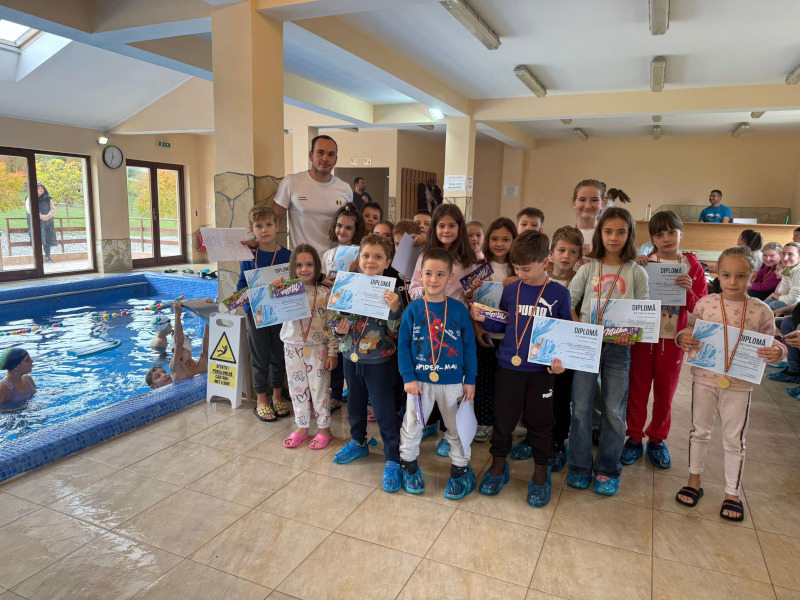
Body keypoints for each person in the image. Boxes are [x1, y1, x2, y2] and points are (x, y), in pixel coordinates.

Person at [676, 246, 785, 520]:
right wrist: (682, 338)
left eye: (741, 276)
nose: (732, 282)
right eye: (726, 275)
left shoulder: (761, 311)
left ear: (753, 276)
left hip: (739, 384)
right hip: (704, 378)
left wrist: (778, 351)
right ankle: (693, 481)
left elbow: (774, 341)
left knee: (734, 439)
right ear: (718, 274)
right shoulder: (705, 303)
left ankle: (732, 493)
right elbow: (688, 329)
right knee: (699, 431)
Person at [472, 231, 571, 507]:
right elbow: (504, 323)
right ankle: (498, 467)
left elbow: (565, 334)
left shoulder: (559, 294)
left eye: (526, 269)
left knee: (540, 423)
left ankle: (540, 474)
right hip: (508, 366)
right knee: (503, 420)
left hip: (541, 372)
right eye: (516, 268)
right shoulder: (511, 289)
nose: (519, 273)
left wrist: (560, 362)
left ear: (545, 262)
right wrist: (483, 318)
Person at [567, 207, 649, 496]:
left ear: (630, 235)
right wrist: (580, 327)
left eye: (621, 232)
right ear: (600, 234)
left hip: (618, 349)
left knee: (614, 410)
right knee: (581, 408)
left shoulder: (636, 271)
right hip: (586, 346)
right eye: (608, 231)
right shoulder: (588, 269)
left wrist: (632, 335)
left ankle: (608, 468)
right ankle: (579, 465)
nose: (614, 237)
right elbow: (569, 304)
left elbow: (643, 313)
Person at [622, 211, 707, 468]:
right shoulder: (643, 263)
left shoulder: (692, 266)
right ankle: (634, 438)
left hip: (673, 341)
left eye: (671, 232)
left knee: (665, 393)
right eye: (659, 234)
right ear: (652, 239)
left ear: (682, 233)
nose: (666, 238)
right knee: (637, 390)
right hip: (642, 339)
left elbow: (702, 307)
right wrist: (634, 269)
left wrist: (688, 290)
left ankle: (657, 439)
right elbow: (627, 299)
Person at [397, 247, 478, 499]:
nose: (433, 279)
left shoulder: (458, 310)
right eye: (429, 273)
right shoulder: (412, 310)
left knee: (457, 427)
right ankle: (408, 465)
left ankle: (460, 469)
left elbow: (469, 347)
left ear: (450, 277)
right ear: (420, 275)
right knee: (413, 424)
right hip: (419, 383)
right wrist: (408, 377)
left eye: (440, 274)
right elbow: (403, 346)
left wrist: (470, 380)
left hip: (453, 382)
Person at [332, 234, 405, 492]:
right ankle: (358, 441)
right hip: (350, 357)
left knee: (384, 410)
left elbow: (397, 332)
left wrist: (395, 310)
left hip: (379, 361)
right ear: (358, 258)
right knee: (354, 403)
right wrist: (338, 332)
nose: (370, 260)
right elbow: (335, 321)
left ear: (388, 262)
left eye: (377, 256)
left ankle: (393, 457)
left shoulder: (392, 294)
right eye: (365, 255)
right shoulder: (347, 286)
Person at [509, 226, 584, 471]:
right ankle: (533, 438)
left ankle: (557, 442)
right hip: (534, 355)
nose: (566, 256)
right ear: (549, 254)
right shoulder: (529, 277)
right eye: (561, 250)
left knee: (560, 399)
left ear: (580, 256)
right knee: (535, 402)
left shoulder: (580, 280)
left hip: (561, 354)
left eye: (572, 251)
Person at [273, 245, 338, 450]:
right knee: (297, 389)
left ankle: (324, 429)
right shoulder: (285, 291)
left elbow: (332, 324)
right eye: (299, 265)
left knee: (320, 390)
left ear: (317, 266)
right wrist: (275, 292)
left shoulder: (325, 293)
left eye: (309, 264)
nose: (304, 269)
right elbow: (270, 313)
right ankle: (302, 427)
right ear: (292, 268)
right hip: (292, 346)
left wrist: (333, 352)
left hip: (318, 347)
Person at [237, 205, 292, 422]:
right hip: (256, 314)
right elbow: (242, 284)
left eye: (269, 224)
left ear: (277, 226)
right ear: (252, 229)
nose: (264, 229)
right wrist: (247, 305)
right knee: (260, 357)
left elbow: (294, 285)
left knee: (279, 355)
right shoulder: (249, 255)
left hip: (280, 314)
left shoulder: (287, 255)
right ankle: (261, 400)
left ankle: (277, 396)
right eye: (259, 226)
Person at [468, 217, 517, 443]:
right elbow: (470, 301)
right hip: (485, 335)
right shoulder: (480, 268)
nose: (499, 244)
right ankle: (484, 422)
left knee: (506, 384)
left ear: (514, 241)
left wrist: (518, 281)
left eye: (506, 239)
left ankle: (504, 424)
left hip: (511, 337)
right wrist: (477, 329)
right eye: (495, 238)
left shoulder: (519, 269)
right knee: (484, 381)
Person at [273, 135, 352, 256]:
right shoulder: (291, 182)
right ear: (311, 155)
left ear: (335, 160)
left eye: (331, 154)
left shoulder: (345, 189)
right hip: (301, 261)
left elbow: (351, 226)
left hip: (332, 262)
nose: (325, 158)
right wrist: (260, 245)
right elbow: (273, 222)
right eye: (320, 152)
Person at [321, 204, 365, 413]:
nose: (343, 231)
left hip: (349, 307)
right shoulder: (328, 253)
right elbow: (324, 278)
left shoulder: (359, 252)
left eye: (348, 228)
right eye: (339, 226)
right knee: (333, 349)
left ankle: (350, 393)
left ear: (356, 230)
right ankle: (334, 393)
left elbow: (364, 281)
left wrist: (355, 270)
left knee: (347, 348)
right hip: (331, 306)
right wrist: (325, 280)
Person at [25, 184, 57, 263]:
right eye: (38, 188)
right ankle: (37, 259)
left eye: (42, 188)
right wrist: (41, 216)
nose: (40, 189)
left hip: (47, 222)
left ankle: (48, 257)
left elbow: (53, 209)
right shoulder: (29, 198)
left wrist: (48, 216)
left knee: (47, 240)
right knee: (37, 240)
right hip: (36, 222)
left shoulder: (47, 199)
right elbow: (29, 210)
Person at [572, 179, 604, 254]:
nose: (588, 206)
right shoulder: (562, 236)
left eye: (594, 200)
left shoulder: (610, 237)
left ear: (602, 204)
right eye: (582, 200)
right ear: (574, 204)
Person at [765, 242, 800, 311]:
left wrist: (775, 295)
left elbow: (792, 301)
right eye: (783, 253)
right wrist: (776, 295)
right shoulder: (787, 269)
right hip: (790, 302)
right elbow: (782, 291)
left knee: (773, 304)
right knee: (766, 303)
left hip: (797, 306)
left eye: (790, 254)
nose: (785, 258)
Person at [0, 348, 36, 412]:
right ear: (16, 366)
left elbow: (37, 393)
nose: (32, 361)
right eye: (27, 360)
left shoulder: (28, 380)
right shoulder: (3, 387)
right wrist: (21, 409)